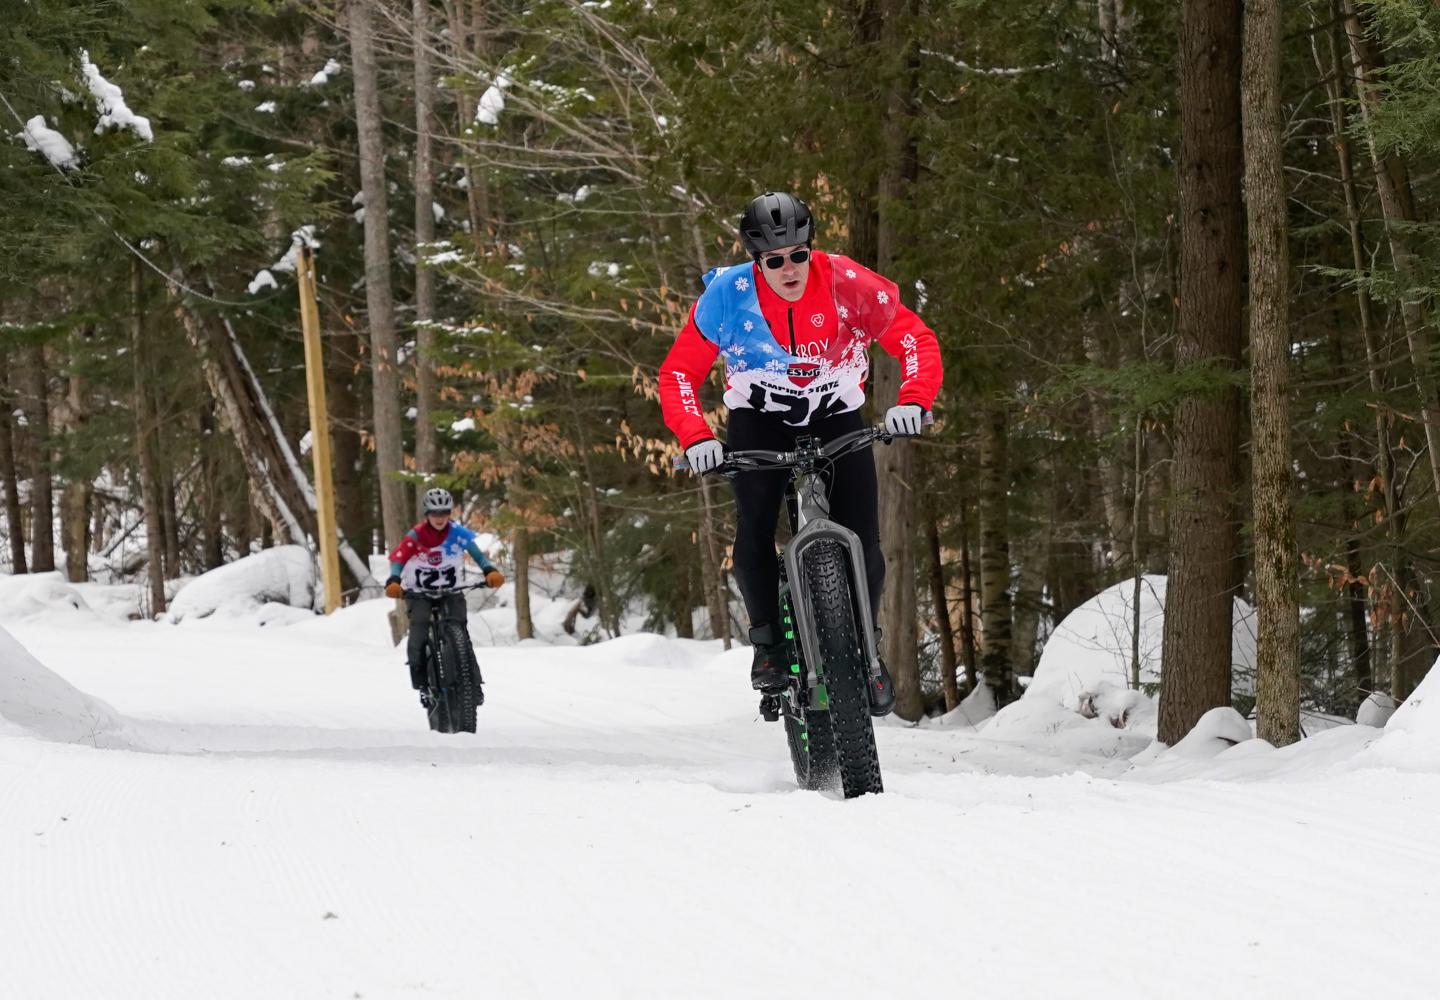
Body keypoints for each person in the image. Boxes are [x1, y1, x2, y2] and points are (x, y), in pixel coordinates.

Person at [657, 191, 943, 717]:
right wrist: (697, 438)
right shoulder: (727, 295)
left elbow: (915, 340)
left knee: (865, 536)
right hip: (758, 421)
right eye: (774, 260)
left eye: (798, 255)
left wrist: (913, 400)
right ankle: (768, 646)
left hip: (837, 416)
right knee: (755, 524)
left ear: (810, 248)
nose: (788, 268)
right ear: (755, 258)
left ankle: (865, 650)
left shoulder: (846, 282)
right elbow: (678, 373)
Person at [385, 487, 505, 695]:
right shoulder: (416, 536)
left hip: (451, 591)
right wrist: (394, 580)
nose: (440, 518)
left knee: (461, 632)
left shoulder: (458, 534)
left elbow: (477, 554)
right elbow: (399, 558)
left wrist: (489, 570)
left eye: (444, 513)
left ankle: (472, 684)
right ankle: (422, 681)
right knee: (420, 628)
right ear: (427, 514)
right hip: (419, 593)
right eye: (434, 513)